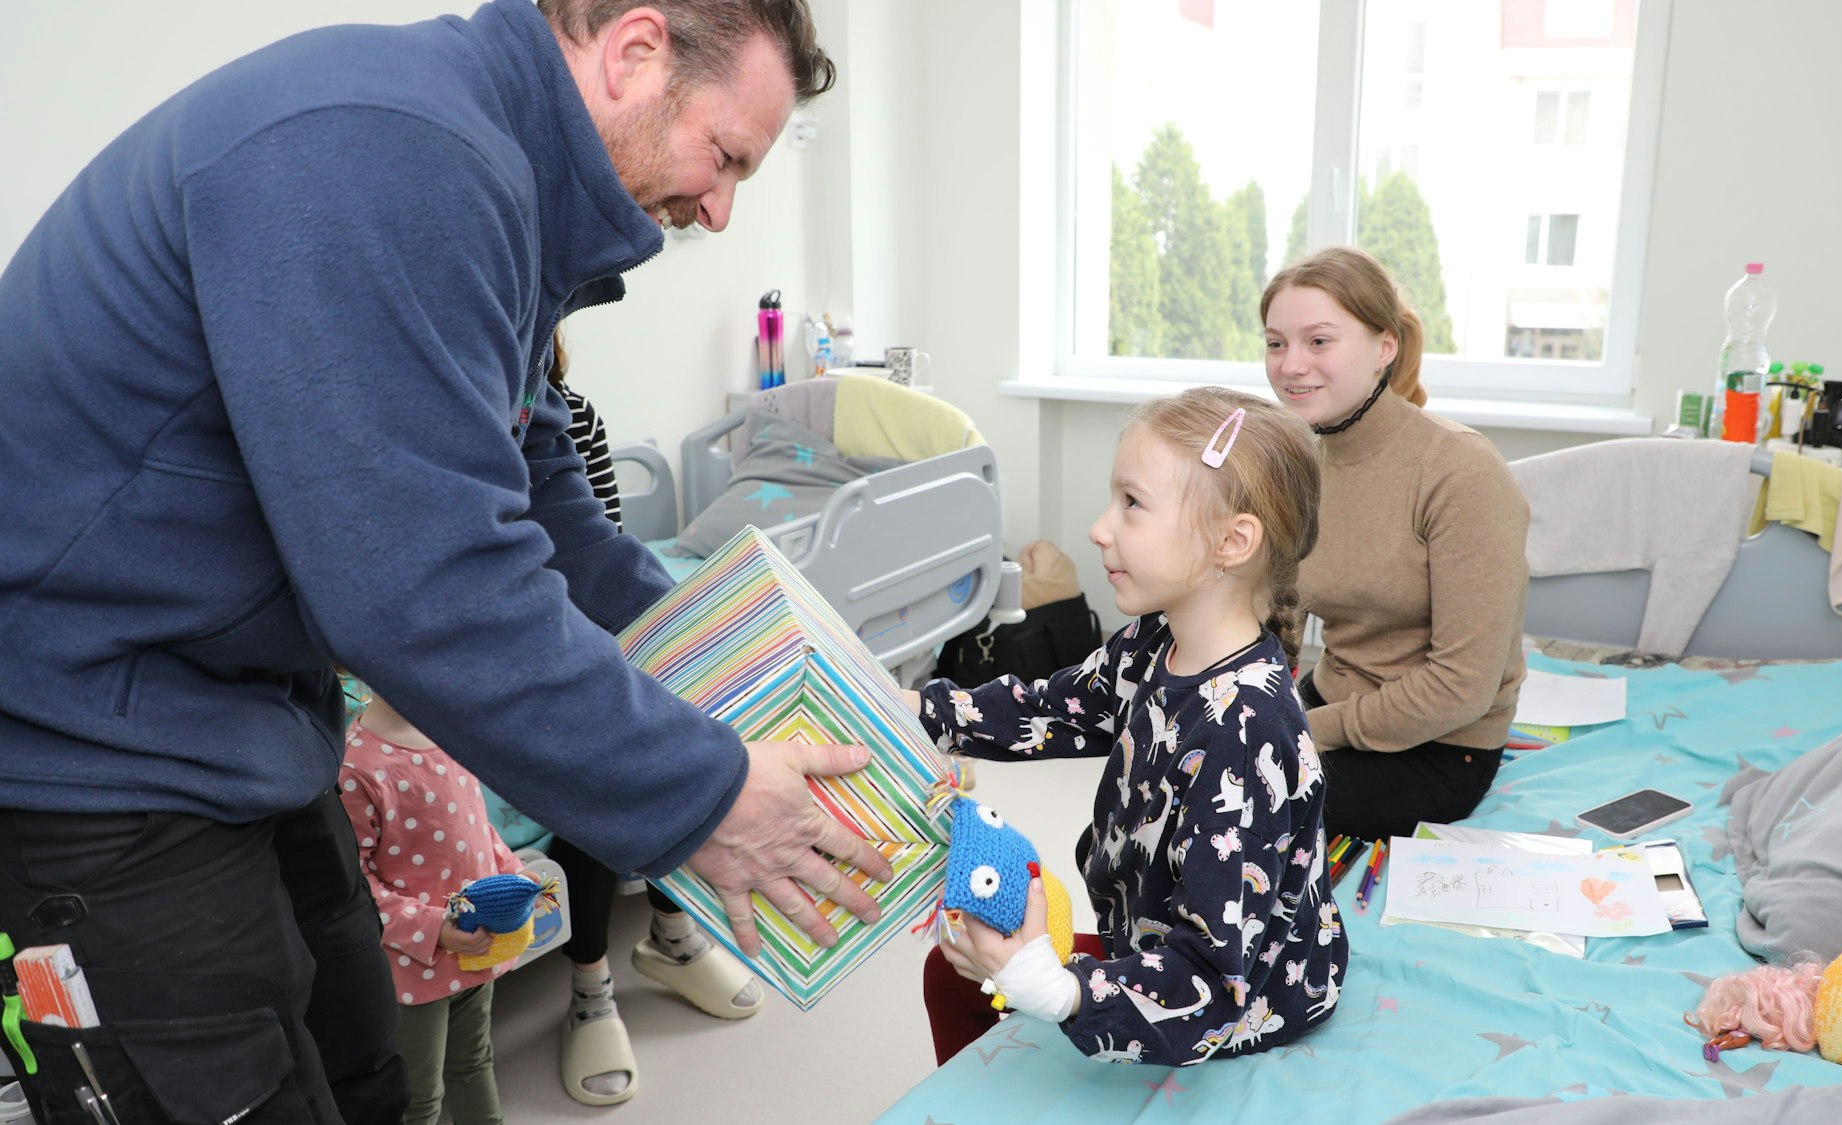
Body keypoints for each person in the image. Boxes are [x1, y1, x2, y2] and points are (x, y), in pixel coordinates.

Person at [0, 3, 894, 1121]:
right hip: (92, 747)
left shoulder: (496, 194)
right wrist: (704, 793)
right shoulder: (386, 147)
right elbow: (423, 590)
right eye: (723, 159)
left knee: (372, 1076)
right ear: (634, 52)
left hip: (247, 725)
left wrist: (751, 672)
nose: (714, 211)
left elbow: (546, 511)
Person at [911, 388, 1346, 1066]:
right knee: (951, 973)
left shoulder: (1242, 730)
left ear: (1232, 541)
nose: (1099, 528)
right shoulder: (1153, 640)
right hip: (1144, 937)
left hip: (1242, 999)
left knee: (988, 977)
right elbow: (1056, 707)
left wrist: (1059, 992)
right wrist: (926, 710)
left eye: (1132, 504)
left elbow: (1211, 978)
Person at [537, 336, 765, 1107]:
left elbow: (596, 543)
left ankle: (672, 933)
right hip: (508, 634)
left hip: (588, 624)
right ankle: (590, 985)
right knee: (590, 773)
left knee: (666, 735)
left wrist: (681, 632)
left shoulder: (570, 417)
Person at [1261, 246, 1530, 842]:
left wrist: (1308, 726)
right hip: (1333, 700)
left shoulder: (1459, 470)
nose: (1291, 365)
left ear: (1385, 347)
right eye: (1276, 343)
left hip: (1440, 747)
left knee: (1227, 817)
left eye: (1319, 341)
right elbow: (1282, 611)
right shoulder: (1305, 456)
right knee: (1171, 776)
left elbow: (1463, 686)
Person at [340, 694, 528, 1125]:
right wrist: (434, 928)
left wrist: (514, 872)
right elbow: (355, 885)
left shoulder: (450, 729)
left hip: (478, 949)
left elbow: (477, 828)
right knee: (419, 1095)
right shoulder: (355, 766)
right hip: (413, 970)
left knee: (474, 1061)